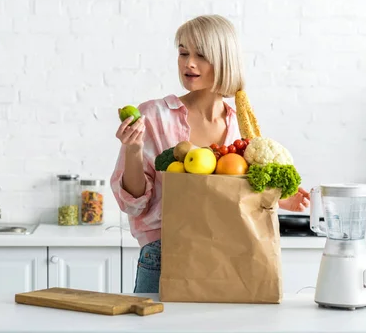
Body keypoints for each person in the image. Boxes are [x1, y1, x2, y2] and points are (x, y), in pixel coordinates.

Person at [109, 15, 310, 294]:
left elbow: (230, 199)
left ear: (224, 60)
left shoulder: (240, 128)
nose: (188, 63)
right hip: (165, 255)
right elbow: (134, 205)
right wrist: (132, 150)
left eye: (201, 55)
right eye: (183, 53)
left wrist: (278, 198)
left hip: (227, 255)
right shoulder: (153, 116)